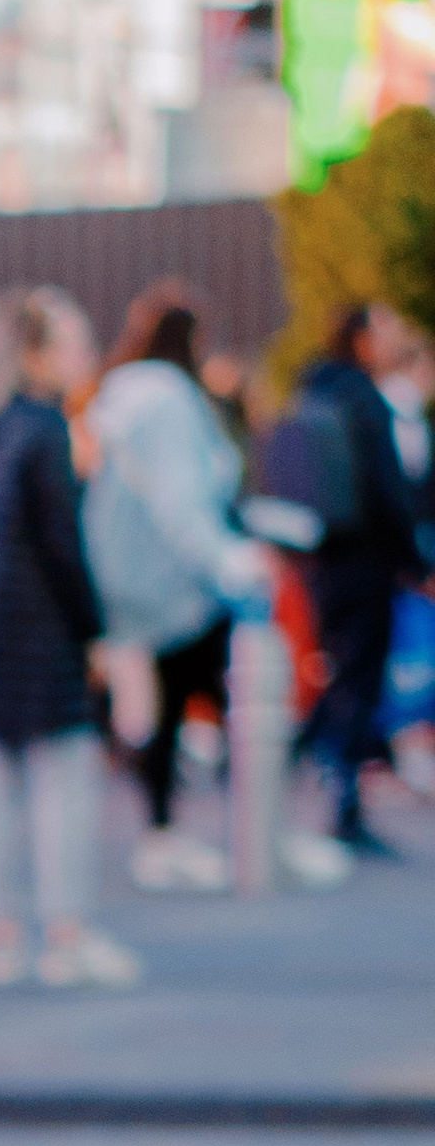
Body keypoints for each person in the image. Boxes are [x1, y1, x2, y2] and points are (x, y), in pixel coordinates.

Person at [0, 294, 134, 988]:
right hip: (38, 624)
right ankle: (67, 932)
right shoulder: (46, 429)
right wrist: (94, 631)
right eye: (74, 344)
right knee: (64, 780)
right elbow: (63, 542)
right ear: (41, 355)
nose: (84, 358)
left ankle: (0, 936)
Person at [84, 285, 271, 894]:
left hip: (131, 583)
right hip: (181, 583)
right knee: (222, 702)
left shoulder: (117, 396)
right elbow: (183, 499)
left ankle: (165, 832)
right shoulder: (169, 402)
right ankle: (245, 834)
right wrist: (230, 562)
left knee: (159, 710)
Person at [271, 303, 428, 857]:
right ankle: (341, 804)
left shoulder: (312, 390)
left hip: (319, 556)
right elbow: (388, 489)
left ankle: (312, 770)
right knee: (358, 681)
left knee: (336, 671)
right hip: (366, 561)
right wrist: (415, 563)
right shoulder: (365, 399)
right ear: (361, 339)